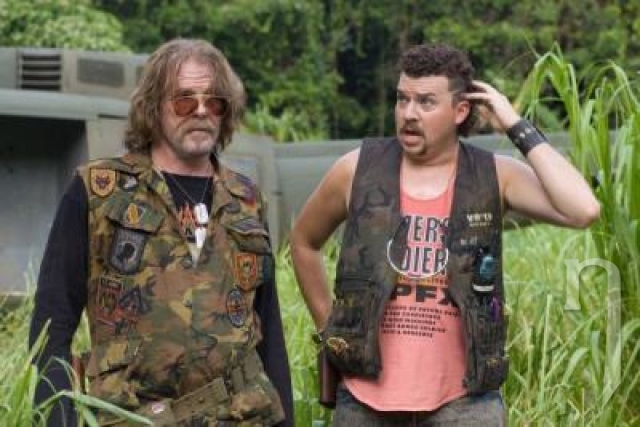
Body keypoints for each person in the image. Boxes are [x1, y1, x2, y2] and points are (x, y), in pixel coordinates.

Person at [290, 43, 600, 426]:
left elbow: (583, 210)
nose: (409, 113)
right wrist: (331, 332)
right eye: (402, 99)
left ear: (460, 110)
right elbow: (303, 242)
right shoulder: (356, 170)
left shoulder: (494, 175)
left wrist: (515, 125)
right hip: (363, 397)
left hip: (466, 402)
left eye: (426, 102)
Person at [29, 38, 293, 426]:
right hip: (132, 416)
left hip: (241, 415)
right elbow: (54, 322)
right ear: (153, 107)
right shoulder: (99, 191)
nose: (201, 110)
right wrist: (56, 417)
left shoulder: (246, 199)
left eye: (214, 101)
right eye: (184, 100)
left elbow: (268, 326)